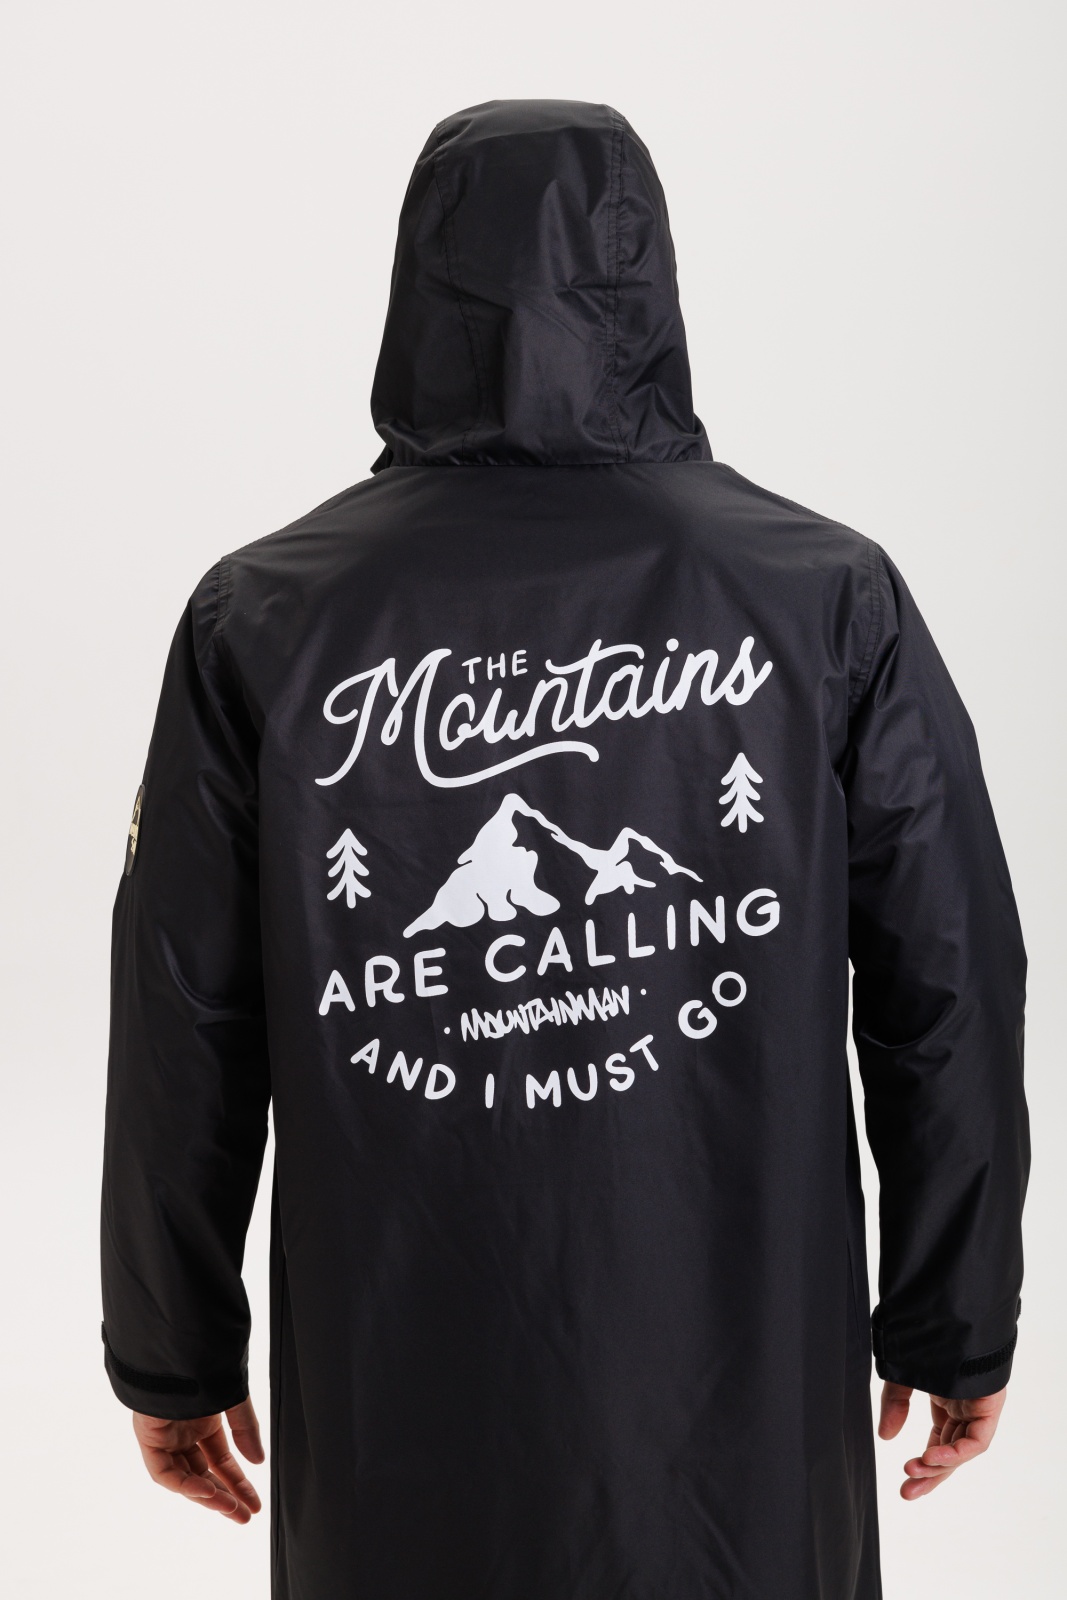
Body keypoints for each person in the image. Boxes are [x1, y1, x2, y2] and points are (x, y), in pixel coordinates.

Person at [100, 100, 1029, 1599]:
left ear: (421, 286)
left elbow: (179, 1021)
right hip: (741, 1451)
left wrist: (171, 1347)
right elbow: (955, 980)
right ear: (647, 279)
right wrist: (954, 1313)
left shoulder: (265, 615)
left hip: (399, 1426)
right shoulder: (821, 598)